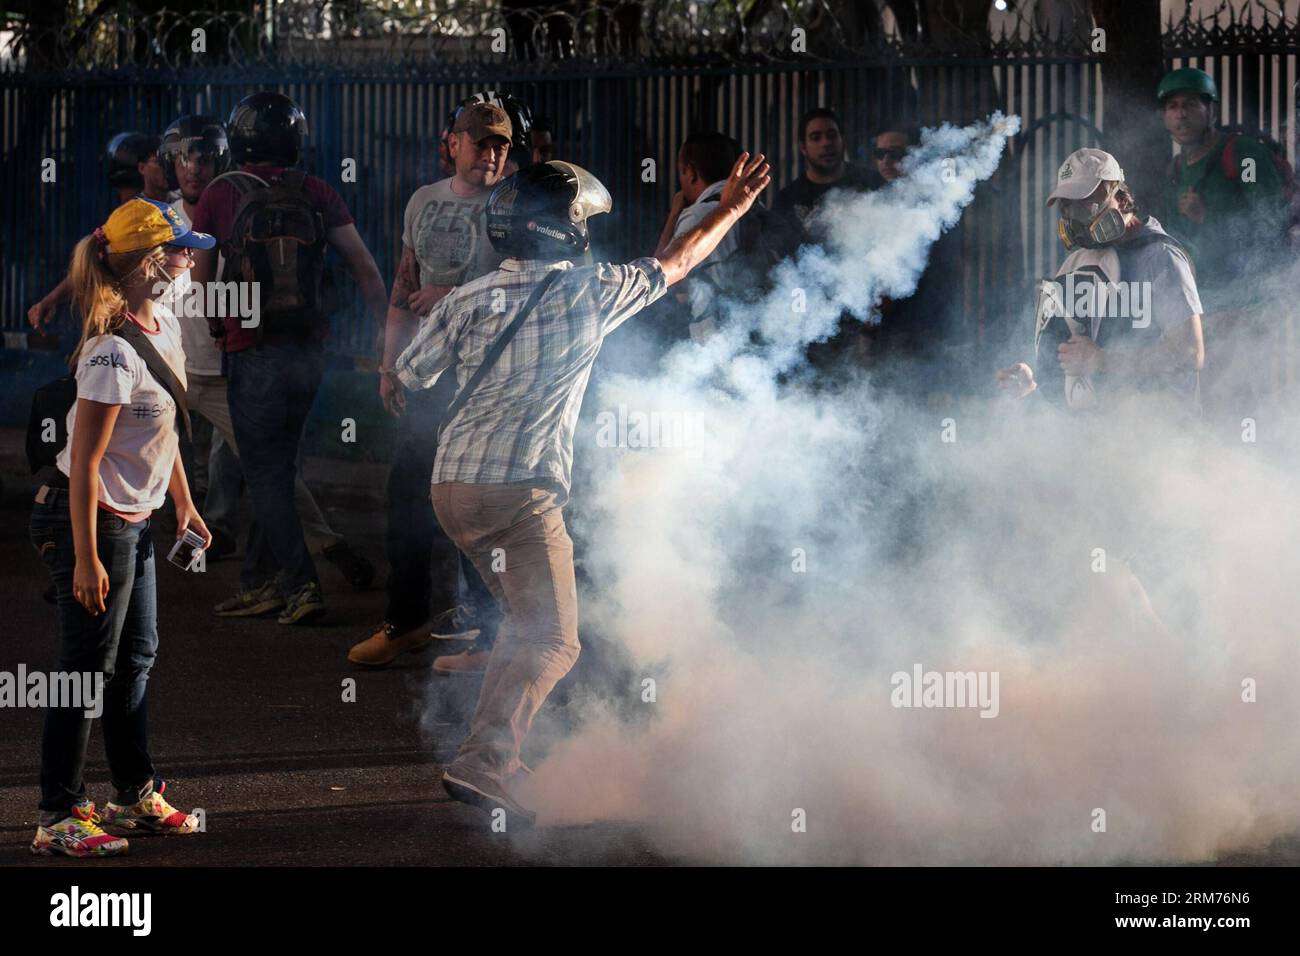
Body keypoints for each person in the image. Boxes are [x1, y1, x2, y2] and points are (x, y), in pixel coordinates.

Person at [394, 151, 771, 825]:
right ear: (568, 229)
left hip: (452, 489)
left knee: (523, 623)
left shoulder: (469, 296)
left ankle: (496, 756)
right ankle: (484, 760)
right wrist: (729, 209)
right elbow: (677, 262)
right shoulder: (590, 292)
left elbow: (413, 375)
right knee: (554, 639)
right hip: (519, 495)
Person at [28, 197, 214, 857]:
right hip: (89, 516)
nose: (190, 258)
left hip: (131, 520)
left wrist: (183, 502)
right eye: (180, 249)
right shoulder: (111, 352)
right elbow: (84, 465)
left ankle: (131, 794)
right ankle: (57, 814)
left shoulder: (160, 324)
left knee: (135, 656)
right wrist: (85, 559)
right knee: (84, 667)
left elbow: (163, 430)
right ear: (146, 263)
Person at [190, 92, 388, 625]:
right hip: (308, 352)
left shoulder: (219, 195)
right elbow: (365, 269)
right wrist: (387, 337)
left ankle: (301, 585)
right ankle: (263, 582)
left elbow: (201, 278)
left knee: (264, 473)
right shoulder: (318, 192)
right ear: (296, 142)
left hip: (250, 351)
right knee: (276, 468)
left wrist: (218, 325)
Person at [349, 100, 514, 671]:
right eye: (481, 142)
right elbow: (404, 285)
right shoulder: (424, 200)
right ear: (453, 143)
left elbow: (525, 289)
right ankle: (408, 623)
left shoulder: (516, 206)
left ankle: (490, 639)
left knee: (472, 509)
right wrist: (387, 364)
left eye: (501, 145)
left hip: (485, 382)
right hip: (426, 373)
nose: (491, 153)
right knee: (407, 500)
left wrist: (451, 297)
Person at [997, 148, 1204, 417]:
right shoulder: (1080, 262)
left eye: (1086, 203)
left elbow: (1190, 353)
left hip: (1161, 437)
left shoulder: (1160, 257)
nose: (1076, 218)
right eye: (1068, 206)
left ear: (1122, 199)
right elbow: (1074, 358)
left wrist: (1104, 360)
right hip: (1102, 438)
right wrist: (1032, 383)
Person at [27, 133, 171, 330]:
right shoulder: (129, 217)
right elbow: (93, 259)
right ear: (141, 168)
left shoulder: (182, 205)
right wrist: (51, 299)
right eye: (158, 160)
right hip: (141, 320)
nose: (166, 166)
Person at [869, 121, 968, 397]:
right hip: (889, 339)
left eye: (896, 153)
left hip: (928, 334)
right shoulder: (875, 201)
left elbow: (944, 274)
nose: (887, 160)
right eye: (880, 154)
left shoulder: (934, 202)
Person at [773, 107, 873, 228]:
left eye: (832, 136)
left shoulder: (872, 184)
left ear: (843, 140)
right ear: (803, 147)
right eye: (816, 138)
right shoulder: (786, 201)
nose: (826, 143)